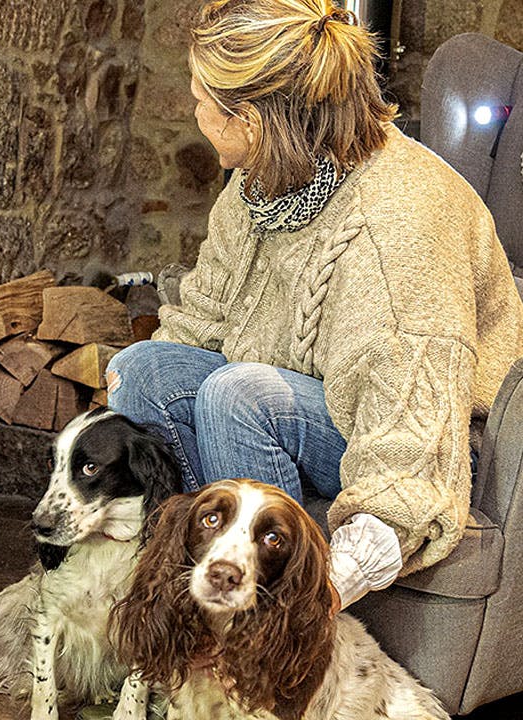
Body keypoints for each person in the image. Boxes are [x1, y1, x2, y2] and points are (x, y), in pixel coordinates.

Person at [106, 0, 523, 615]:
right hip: (317, 402)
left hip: (433, 438)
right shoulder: (256, 187)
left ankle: (265, 616)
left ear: (250, 120)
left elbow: (414, 434)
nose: (194, 113)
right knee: (143, 370)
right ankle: (184, 585)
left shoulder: (397, 221)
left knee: (237, 396)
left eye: (200, 99)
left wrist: (322, 598)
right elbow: (198, 323)